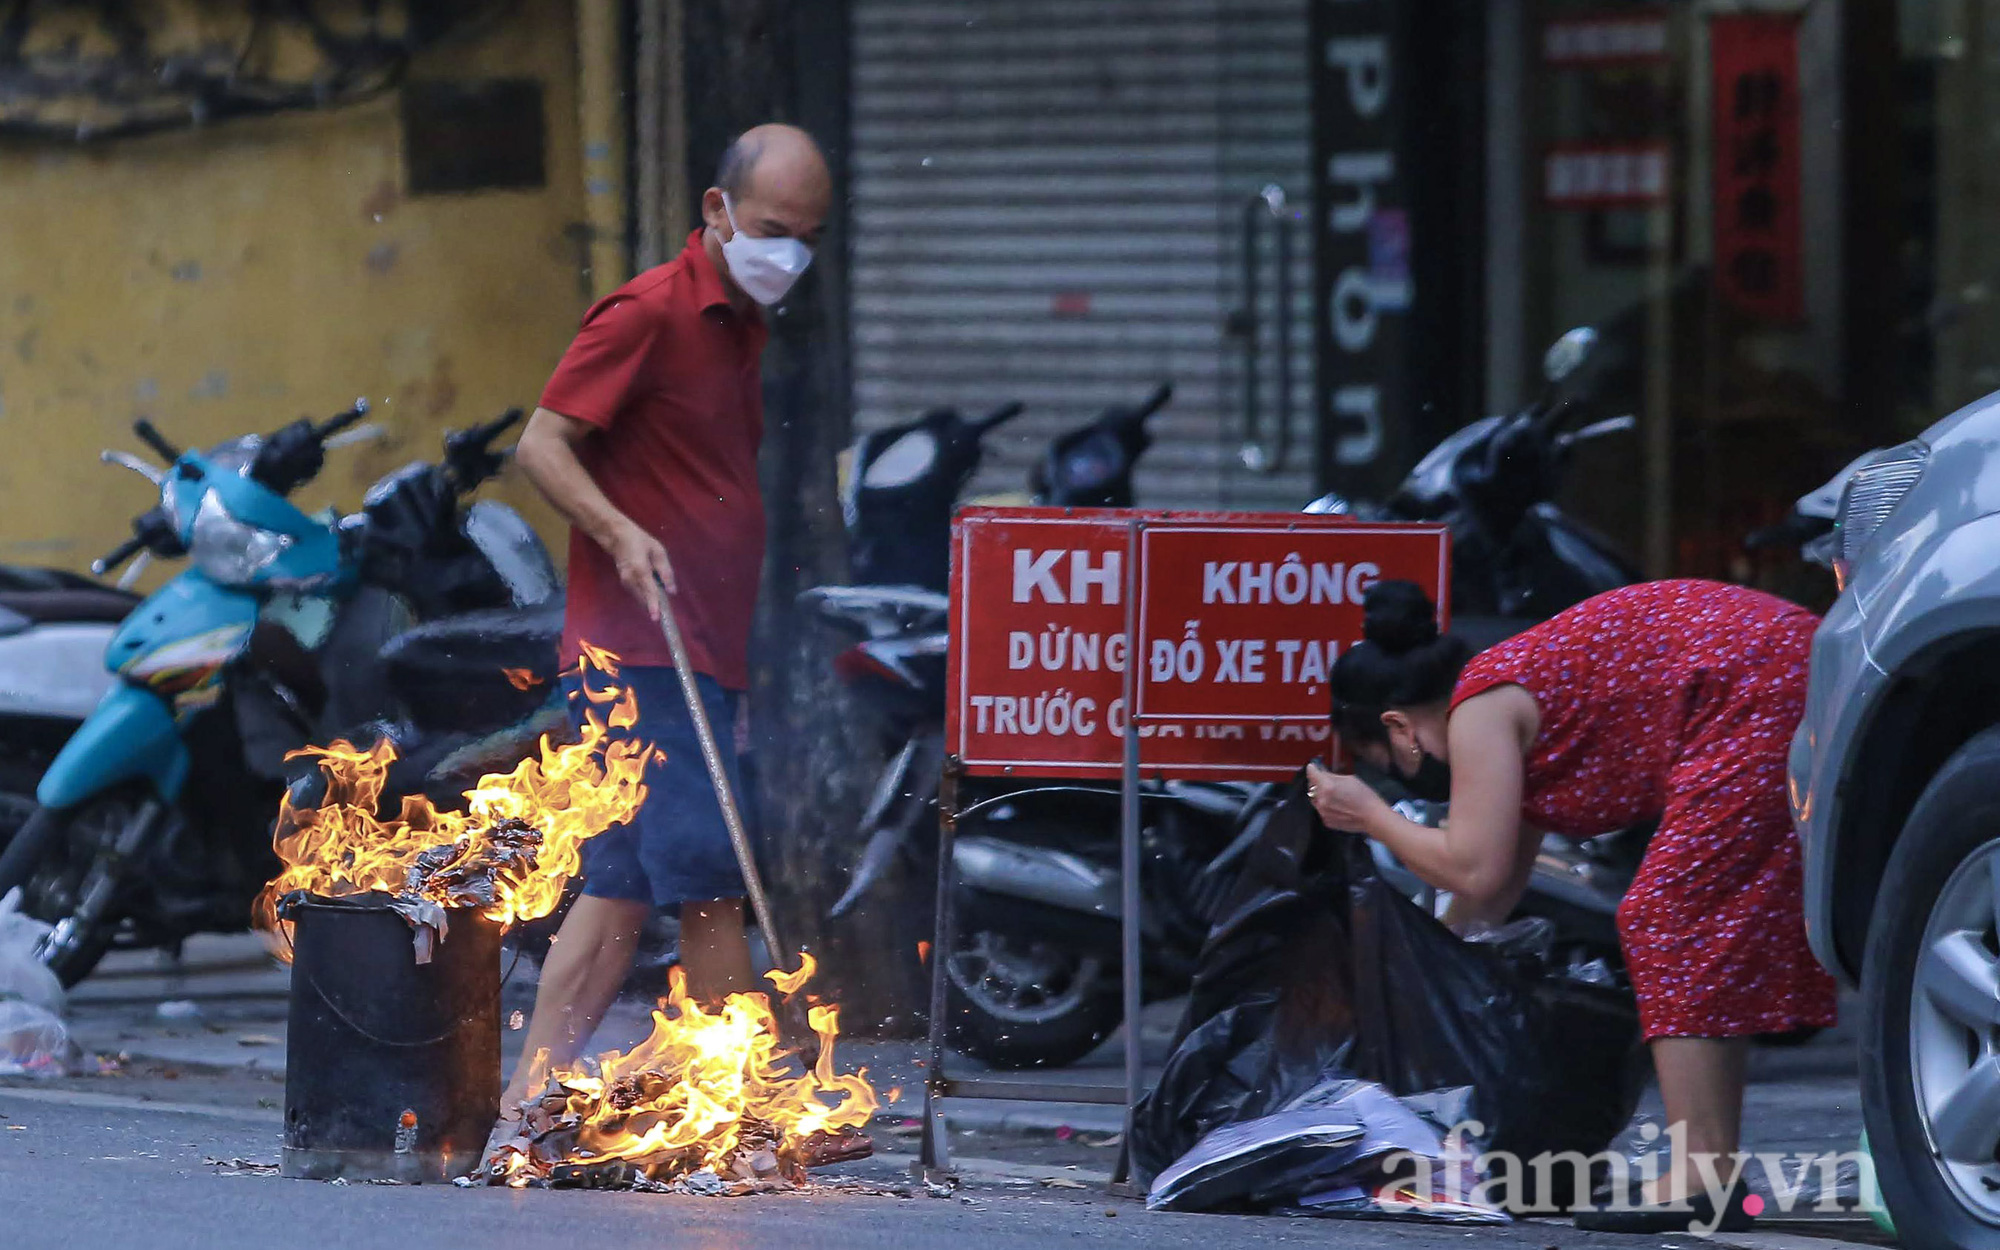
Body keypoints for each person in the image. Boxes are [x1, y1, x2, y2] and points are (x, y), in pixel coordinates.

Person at [1305, 578, 1838, 1233]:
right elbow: (1489, 893)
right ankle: (1710, 1166)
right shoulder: (1499, 700)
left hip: (1756, 683)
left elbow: (1473, 865)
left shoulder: (1478, 709)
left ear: (1398, 730)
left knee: (1668, 918)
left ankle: (1703, 1173)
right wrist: (1421, 989)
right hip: (1779, 664)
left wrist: (1372, 816)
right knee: (1690, 921)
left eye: (1378, 760)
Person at [492, 124, 832, 1134]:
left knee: (622, 884)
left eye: (808, 237)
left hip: (695, 650)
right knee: (708, 876)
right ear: (716, 210)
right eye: (772, 227)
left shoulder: (739, 323)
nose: (789, 254)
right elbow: (541, 444)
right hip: (637, 651)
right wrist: (619, 530)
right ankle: (752, 1101)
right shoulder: (648, 311)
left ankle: (527, 1103)